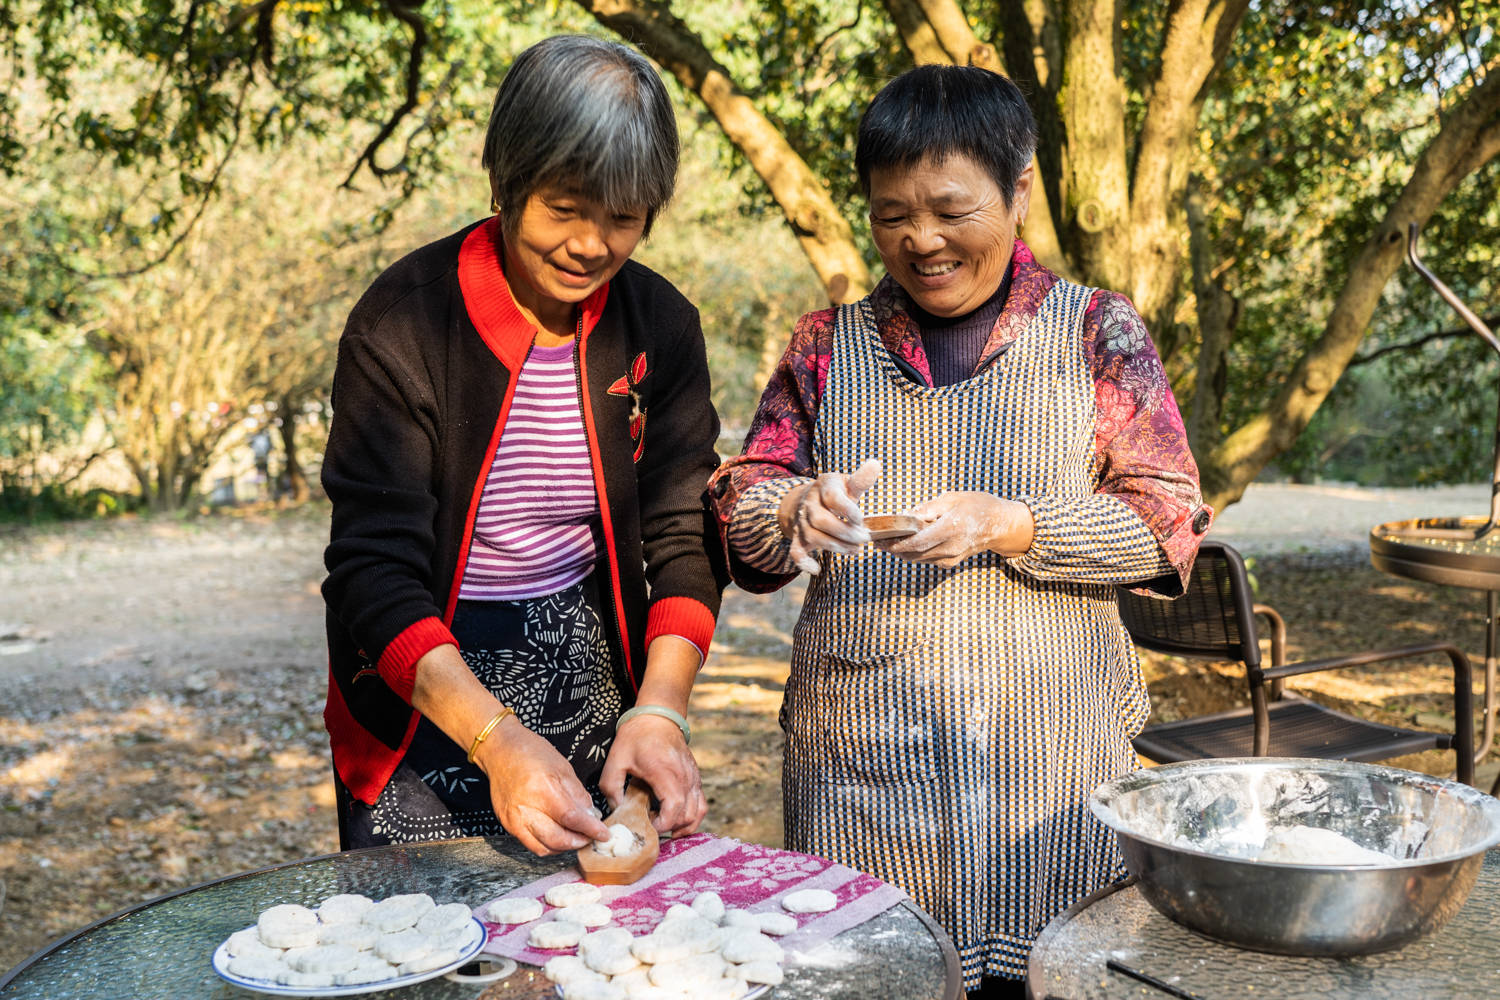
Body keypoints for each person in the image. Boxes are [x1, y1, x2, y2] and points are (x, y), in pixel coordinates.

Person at [709, 65, 1212, 997]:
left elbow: (1165, 523)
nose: (922, 239)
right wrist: (788, 509)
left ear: (1018, 190)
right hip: (863, 756)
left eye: (949, 208)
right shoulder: (827, 346)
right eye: (892, 212)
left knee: (1053, 976)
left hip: (1053, 763)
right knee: (875, 971)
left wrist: (1014, 523)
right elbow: (744, 515)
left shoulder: (1095, 333)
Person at [321, 35, 727, 857]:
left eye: (623, 217)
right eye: (566, 208)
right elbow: (374, 571)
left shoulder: (660, 325)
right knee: (434, 953)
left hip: (588, 662)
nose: (592, 246)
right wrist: (497, 742)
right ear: (507, 182)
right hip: (428, 677)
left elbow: (683, 530)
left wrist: (658, 711)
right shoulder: (403, 323)